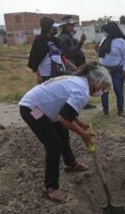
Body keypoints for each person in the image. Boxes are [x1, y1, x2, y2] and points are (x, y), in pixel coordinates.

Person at [19, 62, 112, 203]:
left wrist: (79, 124)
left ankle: (70, 163)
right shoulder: (82, 91)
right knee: (54, 145)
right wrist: (83, 133)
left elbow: (66, 110)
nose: (103, 91)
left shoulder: (80, 82)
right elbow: (63, 118)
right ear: (96, 81)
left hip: (41, 106)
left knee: (62, 132)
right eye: (103, 87)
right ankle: (51, 188)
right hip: (32, 109)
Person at [58, 15, 96, 110]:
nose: (73, 27)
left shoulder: (67, 37)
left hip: (74, 64)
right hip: (71, 65)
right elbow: (72, 51)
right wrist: (82, 41)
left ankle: (81, 102)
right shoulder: (65, 38)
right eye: (71, 25)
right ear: (66, 26)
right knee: (78, 84)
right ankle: (81, 103)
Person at [28, 17, 76, 84]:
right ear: (49, 28)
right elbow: (34, 59)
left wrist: (69, 64)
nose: (56, 29)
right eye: (54, 27)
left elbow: (60, 55)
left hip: (59, 72)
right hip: (46, 75)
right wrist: (38, 75)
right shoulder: (39, 41)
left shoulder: (55, 40)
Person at [98, 22, 125, 116]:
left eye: (106, 31)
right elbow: (102, 54)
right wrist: (96, 50)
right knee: (104, 90)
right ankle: (105, 111)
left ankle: (120, 110)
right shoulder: (104, 39)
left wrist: (124, 69)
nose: (104, 33)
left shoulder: (120, 41)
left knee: (118, 89)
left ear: (112, 31)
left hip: (117, 70)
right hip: (104, 69)